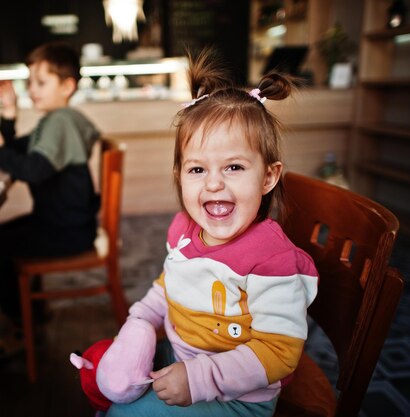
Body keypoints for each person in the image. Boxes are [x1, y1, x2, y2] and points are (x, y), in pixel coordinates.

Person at [78, 48, 319, 416]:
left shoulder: (273, 260)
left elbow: (279, 352)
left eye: (234, 167)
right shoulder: (184, 230)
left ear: (269, 176)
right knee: (106, 378)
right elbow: (170, 283)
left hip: (238, 397)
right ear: (179, 177)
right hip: (182, 353)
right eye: (197, 170)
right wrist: (141, 318)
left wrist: (197, 378)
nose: (214, 185)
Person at [0, 42, 101, 358]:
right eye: (30, 82)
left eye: (41, 82)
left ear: (67, 86)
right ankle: (32, 315)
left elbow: (33, 169)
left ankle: (21, 326)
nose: (32, 89)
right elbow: (17, 149)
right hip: (66, 223)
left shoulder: (60, 122)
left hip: (65, 230)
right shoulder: (57, 120)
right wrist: (9, 115)